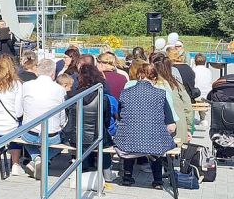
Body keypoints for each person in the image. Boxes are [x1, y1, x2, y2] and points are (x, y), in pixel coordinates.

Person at [114, 61, 176, 189]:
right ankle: (158, 181)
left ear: (138, 76)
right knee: (156, 142)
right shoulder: (160, 94)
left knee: (130, 135)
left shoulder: (125, 93)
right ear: (154, 78)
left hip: (127, 141)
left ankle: (127, 176)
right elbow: (170, 123)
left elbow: (119, 116)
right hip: (153, 141)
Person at [61, 64, 113, 171]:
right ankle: (106, 170)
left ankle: (84, 168)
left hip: (75, 137)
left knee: (84, 143)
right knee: (105, 140)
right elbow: (107, 120)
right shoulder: (103, 98)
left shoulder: (72, 96)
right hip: (97, 137)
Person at [21, 59, 68, 175]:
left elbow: (21, 108)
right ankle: (43, 159)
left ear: (37, 71)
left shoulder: (26, 86)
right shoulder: (60, 89)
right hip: (51, 135)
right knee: (63, 140)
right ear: (53, 74)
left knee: (23, 135)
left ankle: (36, 158)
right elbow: (62, 116)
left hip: (30, 133)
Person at [150, 54, 192, 144]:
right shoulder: (177, 85)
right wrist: (188, 128)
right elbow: (188, 107)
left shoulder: (152, 85)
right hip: (179, 127)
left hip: (157, 129)